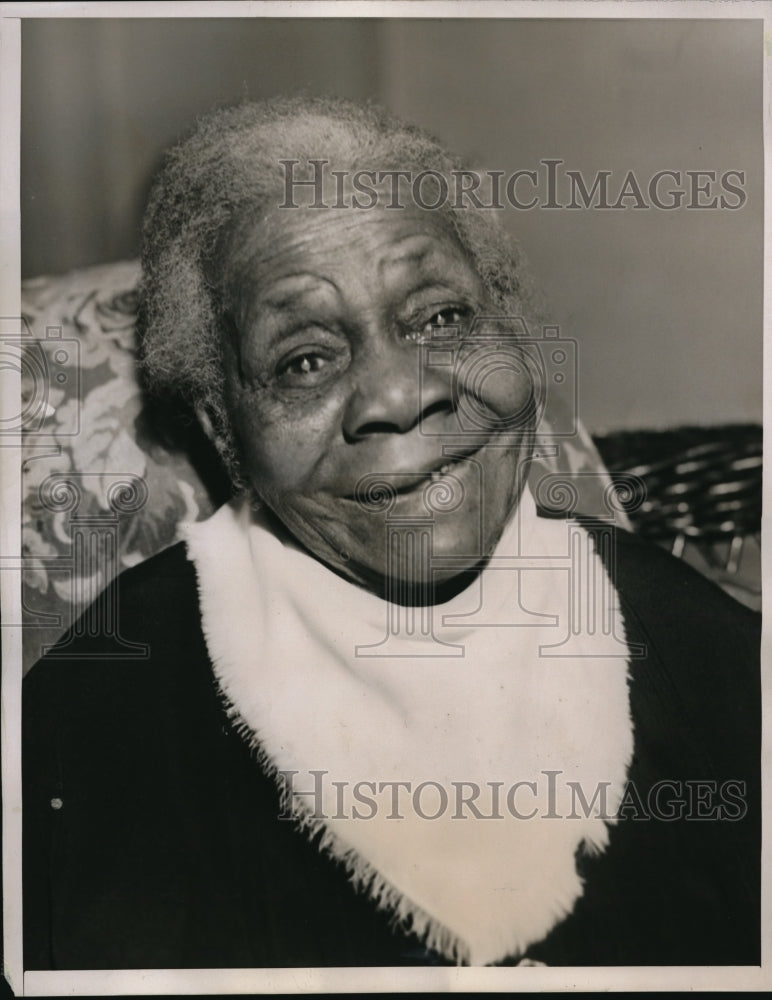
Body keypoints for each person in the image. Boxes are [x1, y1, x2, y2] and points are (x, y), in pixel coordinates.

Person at [23, 96, 760, 970]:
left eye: (441, 318)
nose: (399, 395)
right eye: (305, 360)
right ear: (224, 430)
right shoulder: (99, 722)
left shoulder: (712, 657)